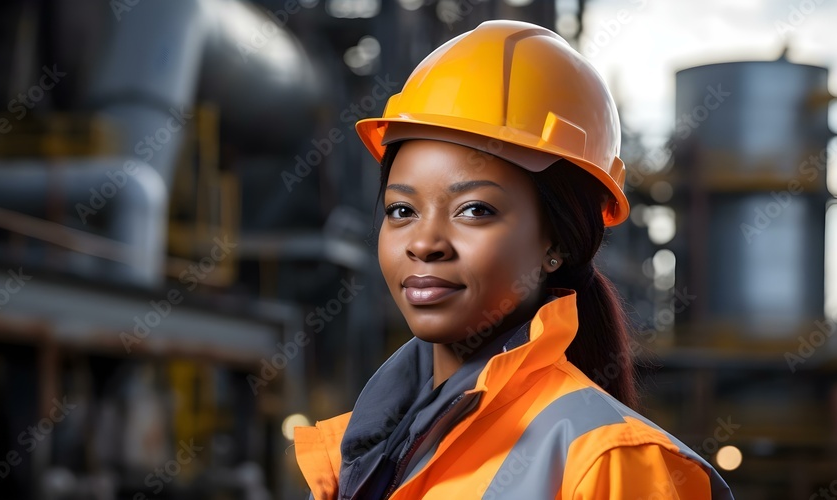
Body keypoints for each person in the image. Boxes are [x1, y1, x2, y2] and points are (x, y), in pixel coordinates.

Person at [294, 19, 735, 500]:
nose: (424, 243)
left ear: (556, 244)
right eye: (402, 210)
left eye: (475, 210)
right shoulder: (363, 459)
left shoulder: (610, 463)